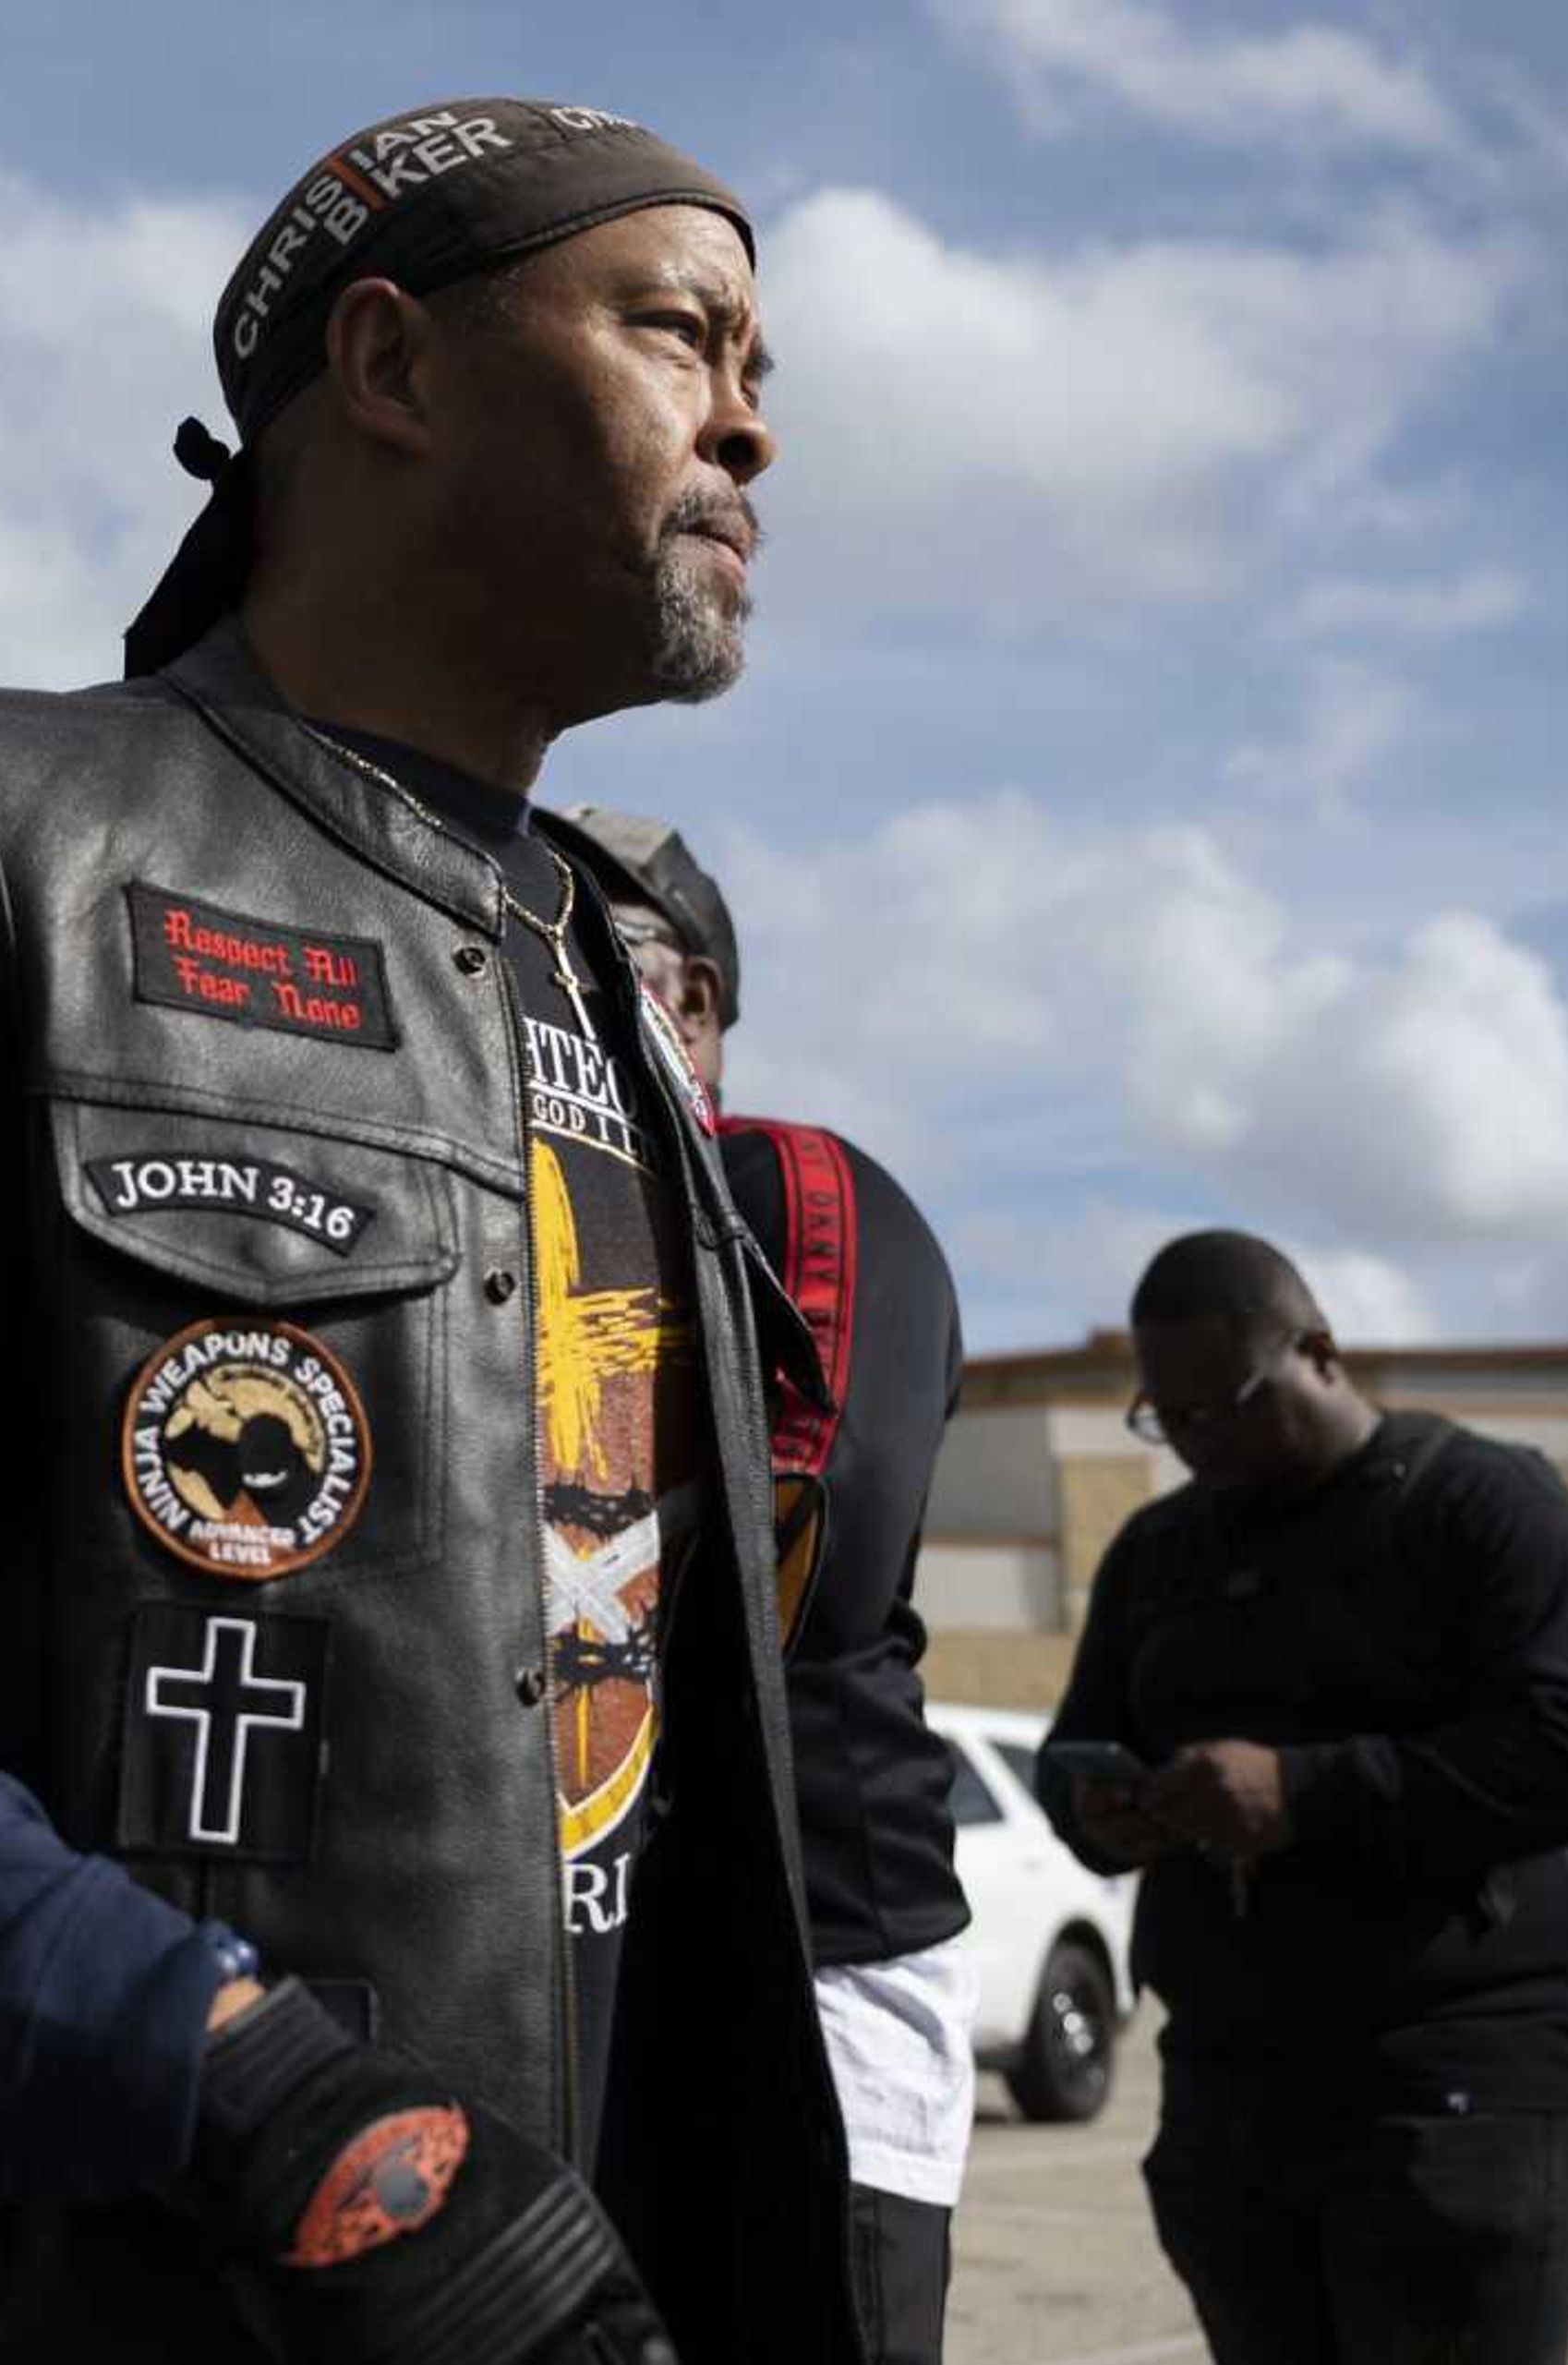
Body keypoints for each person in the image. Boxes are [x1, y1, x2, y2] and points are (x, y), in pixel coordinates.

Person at [0, 97, 858, 2365]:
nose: (751, 428)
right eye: (680, 336)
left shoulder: (609, 963)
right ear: (392, 371)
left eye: (757, 366)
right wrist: (240, 2084)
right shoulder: (4, 839)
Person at [1040, 1230, 1568, 2365]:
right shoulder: (1158, 1549)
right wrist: (1101, 1810)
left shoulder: (1482, 1505)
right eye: (1167, 1418)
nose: (1198, 1442)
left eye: (1224, 1406)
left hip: (1461, 2095)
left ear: (1319, 1350)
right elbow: (1080, 1744)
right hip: (1235, 2103)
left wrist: (1301, 1791)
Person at [571, 807, 975, 2365]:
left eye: (576, 954)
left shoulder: (778, 1178)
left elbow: (802, 1551)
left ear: (690, 1004)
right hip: (550, 1946)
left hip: (804, 1955)